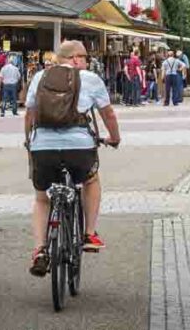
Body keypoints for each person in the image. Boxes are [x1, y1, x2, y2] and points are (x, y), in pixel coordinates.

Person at [24, 40, 121, 277]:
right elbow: (107, 113)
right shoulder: (90, 79)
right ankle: (89, 233)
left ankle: (39, 250)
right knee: (90, 180)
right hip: (79, 147)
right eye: (85, 58)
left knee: (41, 198)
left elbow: (29, 114)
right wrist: (114, 137)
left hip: (43, 147)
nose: (86, 62)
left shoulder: (40, 78)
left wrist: (30, 141)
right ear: (76, 59)